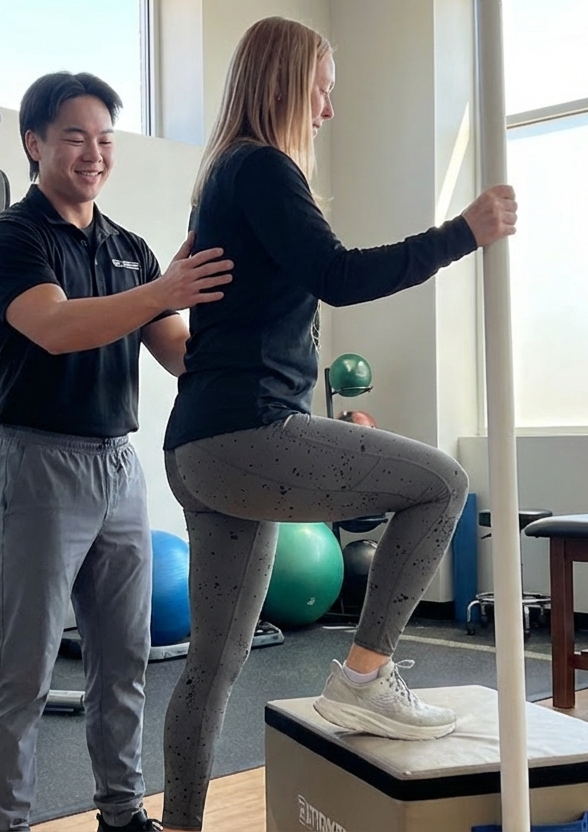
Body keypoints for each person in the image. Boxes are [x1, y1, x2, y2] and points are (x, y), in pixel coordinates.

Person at [158, 17, 517, 832]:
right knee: (445, 483)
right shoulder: (263, 169)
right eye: (323, 90)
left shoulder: (226, 176)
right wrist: (466, 232)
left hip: (202, 446)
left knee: (212, 667)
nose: (327, 111)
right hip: (247, 434)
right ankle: (362, 675)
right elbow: (340, 276)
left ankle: (179, 825)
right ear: (289, 84)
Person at [0, 71, 232, 832]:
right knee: (22, 672)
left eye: (105, 140)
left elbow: (179, 354)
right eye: (76, 137)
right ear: (35, 143)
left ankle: (121, 814)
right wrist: (164, 289)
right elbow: (56, 327)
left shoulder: (129, 248)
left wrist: (254, 333)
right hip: (39, 464)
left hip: (119, 467)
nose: (94, 154)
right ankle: (8, 825)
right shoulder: (11, 240)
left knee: (124, 665)